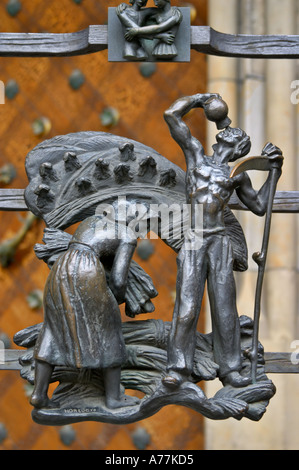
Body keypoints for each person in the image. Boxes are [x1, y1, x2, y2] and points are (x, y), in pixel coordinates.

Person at [162, 92, 283, 388]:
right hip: (193, 240)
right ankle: (178, 367)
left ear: (238, 146)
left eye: (235, 134)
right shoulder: (195, 155)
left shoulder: (236, 176)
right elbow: (171, 115)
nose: (228, 131)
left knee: (225, 307)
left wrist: (274, 174)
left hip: (219, 241)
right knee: (188, 306)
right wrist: (201, 99)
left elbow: (259, 207)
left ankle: (230, 369)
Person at [30, 210, 141, 410]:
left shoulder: (93, 219)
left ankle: (39, 393)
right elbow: (118, 279)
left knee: (52, 328)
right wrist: (115, 301)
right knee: (110, 327)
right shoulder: (127, 234)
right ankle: (113, 397)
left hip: (62, 268)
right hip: (87, 271)